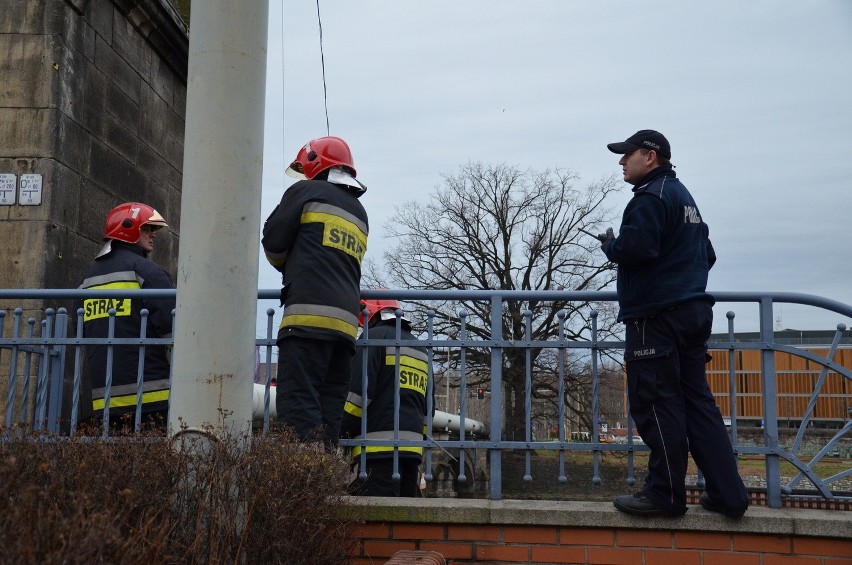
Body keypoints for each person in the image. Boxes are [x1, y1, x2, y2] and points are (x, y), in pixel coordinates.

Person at [598, 130, 748, 518]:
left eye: (626, 154)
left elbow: (637, 249)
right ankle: (729, 495)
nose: (620, 162)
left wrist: (611, 245)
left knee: (657, 403)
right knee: (698, 403)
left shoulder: (650, 198)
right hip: (693, 312)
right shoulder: (685, 199)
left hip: (656, 317)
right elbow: (707, 255)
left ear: (650, 157)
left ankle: (664, 494)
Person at [262, 136, 369, 447]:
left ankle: (300, 485)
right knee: (329, 408)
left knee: (298, 403)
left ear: (314, 162)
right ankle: (323, 476)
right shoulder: (360, 212)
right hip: (346, 326)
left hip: (307, 318)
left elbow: (274, 242)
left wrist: (291, 265)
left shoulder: (304, 191)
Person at [78, 202, 175, 430]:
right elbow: (174, 329)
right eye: (147, 229)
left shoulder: (86, 281)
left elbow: (81, 333)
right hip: (152, 397)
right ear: (129, 229)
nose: (153, 235)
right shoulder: (149, 272)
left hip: (104, 399)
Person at [342, 298, 432, 497]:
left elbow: (357, 398)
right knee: (406, 520)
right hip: (412, 451)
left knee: (375, 522)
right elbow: (428, 408)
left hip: (377, 450)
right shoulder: (421, 349)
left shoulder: (371, 338)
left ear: (371, 314)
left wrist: (342, 432)